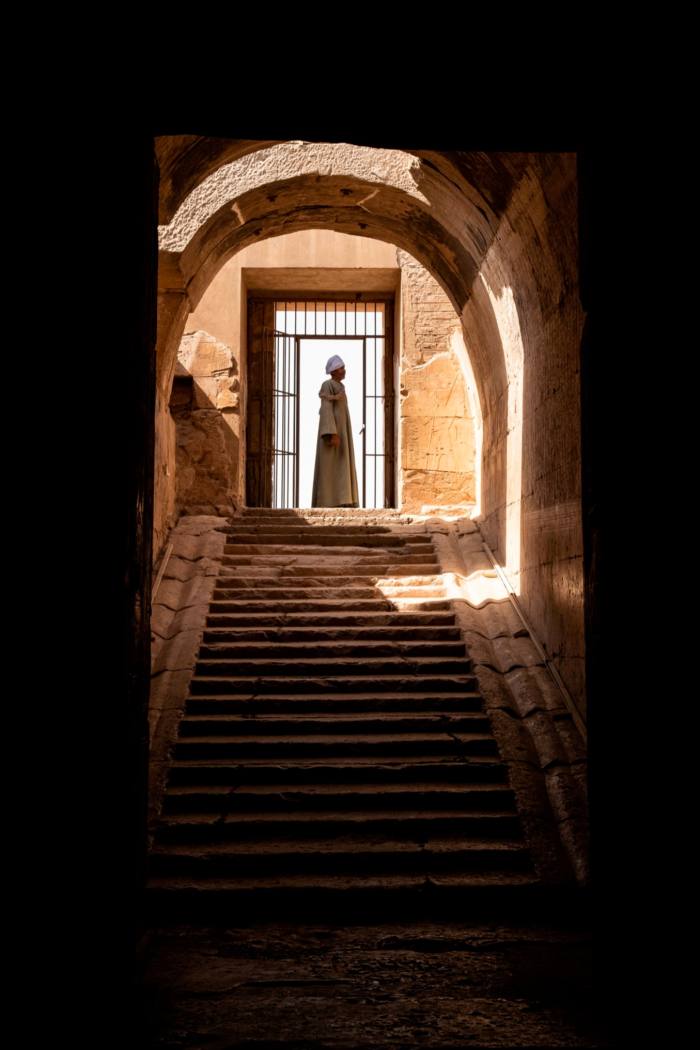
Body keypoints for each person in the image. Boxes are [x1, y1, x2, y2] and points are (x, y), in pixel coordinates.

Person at [311, 354, 359, 507]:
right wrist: (331, 432)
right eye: (341, 368)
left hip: (342, 431)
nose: (344, 371)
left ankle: (344, 500)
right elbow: (326, 408)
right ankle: (328, 501)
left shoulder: (340, 388)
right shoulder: (328, 385)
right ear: (334, 371)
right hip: (333, 433)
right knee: (330, 467)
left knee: (341, 465)